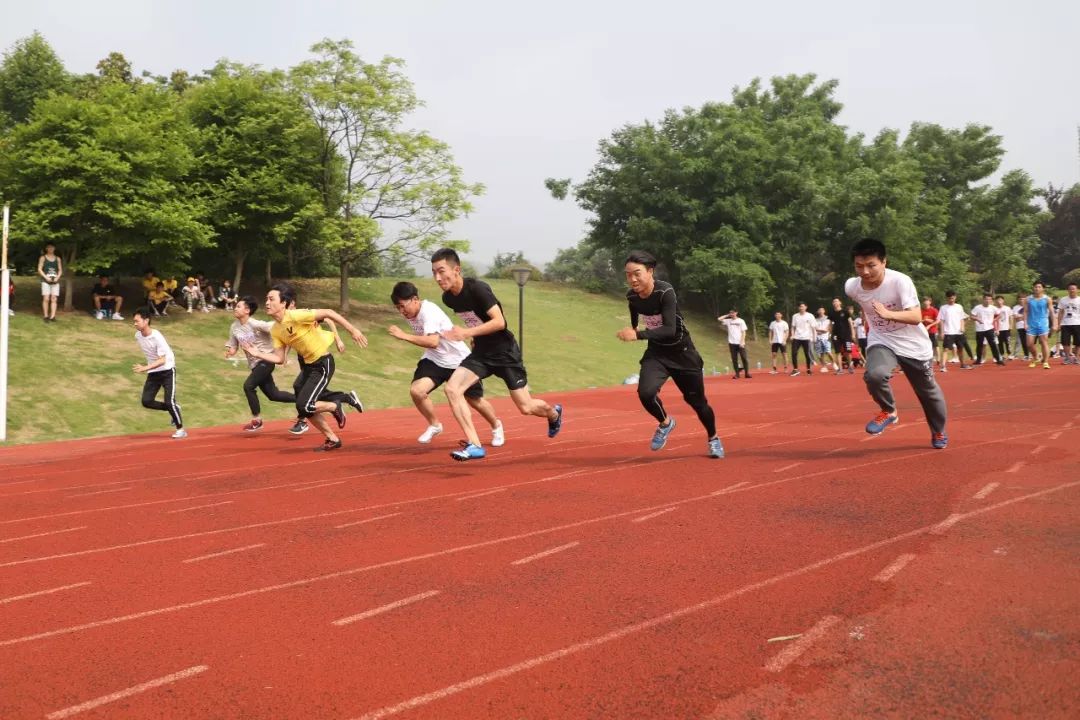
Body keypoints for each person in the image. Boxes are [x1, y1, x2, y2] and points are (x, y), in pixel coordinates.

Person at [432, 248, 562, 461]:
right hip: (481, 353)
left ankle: (553, 413)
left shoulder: (478, 289)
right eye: (434, 272)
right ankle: (474, 444)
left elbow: (499, 322)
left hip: (505, 352)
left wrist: (466, 332)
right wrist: (472, 336)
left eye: (441, 271)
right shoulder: (449, 298)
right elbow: (475, 319)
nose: (437, 277)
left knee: (526, 407)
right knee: (452, 389)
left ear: (456, 270)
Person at [616, 250, 723, 458]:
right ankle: (665, 422)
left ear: (650, 271)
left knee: (698, 403)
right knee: (645, 393)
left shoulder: (665, 292)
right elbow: (634, 313)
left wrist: (637, 335)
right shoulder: (632, 296)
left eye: (637, 273)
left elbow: (669, 329)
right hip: (657, 353)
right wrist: (632, 328)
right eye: (628, 274)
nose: (632, 279)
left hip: (683, 353)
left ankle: (713, 438)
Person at [845, 239, 948, 449]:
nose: (865, 271)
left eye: (871, 265)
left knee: (928, 392)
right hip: (882, 339)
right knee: (874, 375)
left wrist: (887, 314)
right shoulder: (851, 287)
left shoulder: (900, 281)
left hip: (913, 344)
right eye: (859, 266)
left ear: (884, 262)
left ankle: (938, 431)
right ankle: (889, 410)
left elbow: (916, 316)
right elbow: (864, 303)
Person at [241, 283, 366, 451]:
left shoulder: (295, 315)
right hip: (308, 367)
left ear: (283, 303)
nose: (267, 303)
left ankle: (336, 405)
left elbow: (329, 313)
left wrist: (352, 330)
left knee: (304, 405)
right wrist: (257, 353)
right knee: (303, 402)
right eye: (266, 299)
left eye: (271, 299)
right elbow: (279, 358)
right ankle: (332, 438)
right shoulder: (276, 330)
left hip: (323, 363)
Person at [388, 281, 505, 445]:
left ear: (415, 299)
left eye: (402, 306)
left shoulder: (429, 312)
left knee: (474, 400)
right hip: (435, 359)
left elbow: (433, 341)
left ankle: (496, 425)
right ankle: (435, 425)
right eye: (397, 308)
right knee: (417, 391)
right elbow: (433, 346)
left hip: (458, 361)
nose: (401, 311)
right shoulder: (412, 313)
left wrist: (403, 335)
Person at [225, 295, 296, 432]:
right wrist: (230, 351)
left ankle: (256, 420)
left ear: (247, 310)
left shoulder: (256, 324)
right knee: (274, 395)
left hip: (266, 360)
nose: (235, 308)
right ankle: (302, 399)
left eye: (238, 306)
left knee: (248, 386)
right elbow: (233, 346)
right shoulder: (234, 327)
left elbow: (275, 327)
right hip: (254, 365)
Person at [132, 308, 186, 438]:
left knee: (169, 401)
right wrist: (149, 368)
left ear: (146, 321)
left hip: (167, 370)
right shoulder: (138, 335)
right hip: (154, 371)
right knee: (146, 401)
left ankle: (181, 430)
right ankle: (174, 409)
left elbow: (162, 360)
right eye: (134, 321)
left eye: (137, 321)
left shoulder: (156, 336)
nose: (134, 324)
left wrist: (145, 368)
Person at [1024, 281, 1056, 369]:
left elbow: (1052, 312)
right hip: (1031, 324)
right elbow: (1026, 312)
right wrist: (1025, 323)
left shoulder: (1047, 299)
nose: (1037, 288)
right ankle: (1036, 357)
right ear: (1033, 288)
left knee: (1044, 342)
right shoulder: (1028, 299)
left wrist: (1054, 324)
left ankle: (1045, 361)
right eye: (1035, 287)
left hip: (1043, 323)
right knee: (1029, 344)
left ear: (1043, 288)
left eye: (1039, 287)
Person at [938, 291, 972, 371]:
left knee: (960, 348)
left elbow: (962, 318)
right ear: (947, 298)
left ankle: (962, 364)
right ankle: (943, 366)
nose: (951, 300)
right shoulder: (943, 308)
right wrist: (942, 332)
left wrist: (962, 327)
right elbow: (941, 320)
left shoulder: (959, 306)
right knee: (946, 349)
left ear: (955, 297)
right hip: (949, 331)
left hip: (958, 332)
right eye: (949, 298)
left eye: (953, 298)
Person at [971, 293, 1005, 366]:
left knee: (993, 344)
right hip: (980, 329)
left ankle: (998, 360)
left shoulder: (993, 308)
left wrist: (995, 319)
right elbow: (972, 316)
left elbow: (1000, 314)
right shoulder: (977, 307)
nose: (988, 301)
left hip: (989, 328)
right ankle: (978, 360)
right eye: (986, 299)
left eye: (989, 299)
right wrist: (977, 319)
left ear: (991, 300)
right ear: (983, 299)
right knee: (979, 345)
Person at [718, 309, 750, 379]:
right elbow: (719, 319)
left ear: (736, 313)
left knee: (744, 358)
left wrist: (742, 342)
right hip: (732, 343)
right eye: (730, 313)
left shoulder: (741, 321)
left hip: (740, 343)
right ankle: (737, 374)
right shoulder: (728, 321)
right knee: (734, 359)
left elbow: (744, 332)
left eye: (733, 313)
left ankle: (747, 373)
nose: (732, 314)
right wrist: (727, 315)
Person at [827, 297, 856, 374]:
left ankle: (850, 366)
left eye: (836, 301)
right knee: (838, 352)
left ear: (840, 303)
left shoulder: (845, 312)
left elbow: (850, 323)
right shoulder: (831, 313)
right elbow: (830, 324)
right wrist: (829, 334)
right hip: (836, 335)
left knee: (848, 352)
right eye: (834, 301)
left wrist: (853, 334)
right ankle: (840, 369)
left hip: (846, 335)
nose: (835, 303)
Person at [37, 243, 62, 322]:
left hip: (55, 281)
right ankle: (46, 316)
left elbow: (60, 270)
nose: (50, 249)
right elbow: (39, 269)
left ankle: (53, 316)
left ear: (54, 248)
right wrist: (46, 277)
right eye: (49, 247)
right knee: (46, 298)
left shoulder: (58, 258)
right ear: (46, 248)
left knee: (54, 299)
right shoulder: (43, 258)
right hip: (45, 280)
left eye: (52, 247)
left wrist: (57, 277)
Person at [1056, 282, 1080, 365]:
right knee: (1065, 341)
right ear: (1067, 290)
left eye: (1073, 288)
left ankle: (1077, 358)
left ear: (1077, 290)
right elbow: (1061, 312)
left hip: (1078, 323)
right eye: (1070, 289)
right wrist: (1058, 324)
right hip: (1065, 323)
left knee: (1078, 342)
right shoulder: (1063, 299)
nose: (1072, 290)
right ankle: (1067, 358)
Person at [790, 302, 815, 376]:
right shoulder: (795, 316)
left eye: (802, 306)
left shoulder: (810, 316)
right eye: (800, 307)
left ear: (806, 307)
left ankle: (808, 369)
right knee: (794, 353)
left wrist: (813, 337)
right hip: (797, 337)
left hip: (806, 338)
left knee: (807, 354)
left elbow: (813, 327)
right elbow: (793, 327)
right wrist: (792, 335)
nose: (801, 308)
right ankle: (795, 369)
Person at [813, 307, 838, 373]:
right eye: (819, 310)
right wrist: (822, 330)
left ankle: (834, 363)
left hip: (826, 338)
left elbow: (829, 328)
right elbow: (815, 328)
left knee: (828, 352)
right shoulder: (815, 320)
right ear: (818, 312)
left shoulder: (828, 318)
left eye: (822, 310)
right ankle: (824, 366)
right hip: (818, 338)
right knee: (820, 353)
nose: (820, 311)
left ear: (824, 311)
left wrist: (827, 332)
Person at [921, 296, 942, 368]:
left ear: (930, 302)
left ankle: (938, 359)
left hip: (932, 330)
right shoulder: (921, 310)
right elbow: (918, 320)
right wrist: (924, 321)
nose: (925, 302)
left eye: (927, 301)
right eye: (924, 301)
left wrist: (930, 324)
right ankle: (926, 358)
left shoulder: (934, 310)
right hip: (924, 331)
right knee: (925, 345)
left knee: (935, 345)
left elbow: (938, 320)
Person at [994, 295, 1013, 360]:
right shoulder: (994, 309)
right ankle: (1002, 355)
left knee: (1008, 341)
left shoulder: (1007, 308)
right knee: (999, 342)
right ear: (995, 301)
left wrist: (1011, 325)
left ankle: (1009, 354)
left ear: (1003, 301)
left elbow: (1011, 317)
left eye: (1001, 300)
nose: (999, 301)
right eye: (998, 300)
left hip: (1006, 328)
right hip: (998, 329)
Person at [1012, 294, 1028, 360]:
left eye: (1023, 299)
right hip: (1020, 326)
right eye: (1020, 299)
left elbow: (1029, 316)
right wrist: (1024, 316)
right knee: (1022, 341)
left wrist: (1020, 316)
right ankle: (1025, 355)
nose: (1022, 300)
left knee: (1030, 342)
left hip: (1029, 326)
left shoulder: (1029, 306)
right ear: (1018, 300)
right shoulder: (1015, 307)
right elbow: (1015, 317)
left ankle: (1031, 354)